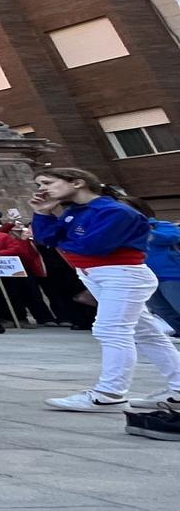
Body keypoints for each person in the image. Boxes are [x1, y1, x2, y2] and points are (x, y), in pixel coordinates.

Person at [29, 166, 180, 414]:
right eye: (39, 185)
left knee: (111, 330)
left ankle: (109, 393)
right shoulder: (75, 212)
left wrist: (65, 241)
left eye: (47, 182)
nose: (42, 189)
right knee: (146, 333)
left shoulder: (114, 211)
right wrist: (43, 214)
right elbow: (47, 240)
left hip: (120, 273)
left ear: (77, 182)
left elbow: (93, 246)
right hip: (99, 274)